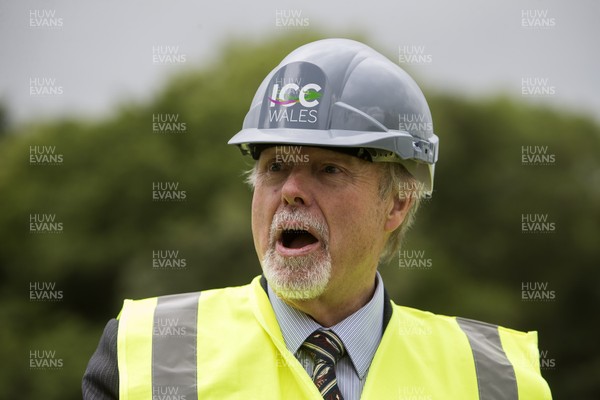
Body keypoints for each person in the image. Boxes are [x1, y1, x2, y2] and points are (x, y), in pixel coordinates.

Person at [83, 38, 552, 400]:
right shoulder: (146, 349)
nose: (290, 191)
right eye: (275, 168)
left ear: (397, 204)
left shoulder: (498, 378)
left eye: (329, 169)